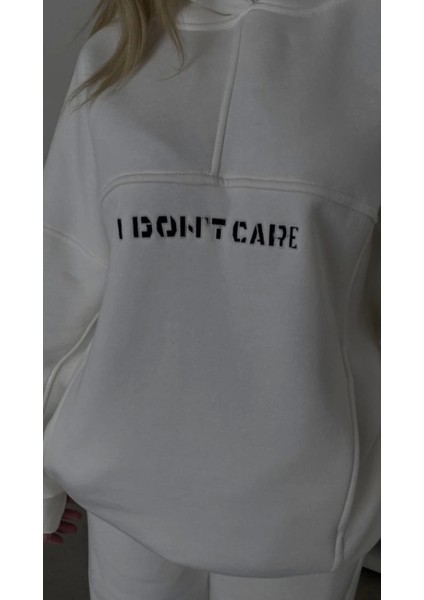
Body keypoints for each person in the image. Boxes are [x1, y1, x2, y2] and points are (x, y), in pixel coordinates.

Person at [43, 0, 381, 598]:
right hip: (125, 486)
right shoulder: (119, 49)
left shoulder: (384, 45)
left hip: (302, 515)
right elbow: (59, 274)